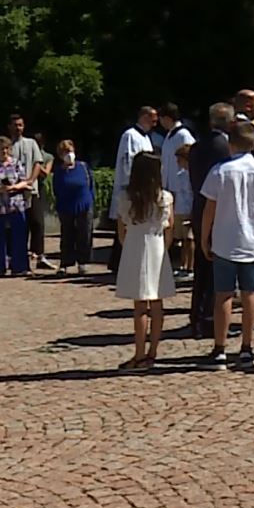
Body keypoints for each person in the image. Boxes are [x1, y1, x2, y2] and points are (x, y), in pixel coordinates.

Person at [200, 121, 254, 370]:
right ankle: (247, 347)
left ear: (230, 143)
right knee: (251, 294)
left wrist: (205, 237)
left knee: (223, 294)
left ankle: (220, 348)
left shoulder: (219, 171)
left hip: (225, 239)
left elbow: (209, 210)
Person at [114, 153, 175, 370]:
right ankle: (152, 352)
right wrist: (163, 249)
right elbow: (170, 228)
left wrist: (128, 245)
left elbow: (121, 229)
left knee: (140, 305)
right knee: (157, 303)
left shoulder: (126, 197)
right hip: (157, 246)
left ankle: (139, 354)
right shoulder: (165, 198)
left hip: (135, 246)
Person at [187, 103, 235, 338]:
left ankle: (198, 316)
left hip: (199, 207)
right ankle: (208, 320)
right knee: (216, 268)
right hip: (217, 210)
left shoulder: (198, 146)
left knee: (202, 267)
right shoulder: (224, 147)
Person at [108, 107, 159, 271]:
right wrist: (134, 183)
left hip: (144, 186)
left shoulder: (146, 137)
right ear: (144, 117)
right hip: (133, 186)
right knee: (126, 223)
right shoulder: (130, 135)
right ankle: (118, 263)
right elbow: (128, 161)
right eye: (152, 119)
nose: (155, 123)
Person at [0, 136, 32, 277]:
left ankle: (20, 267)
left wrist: (15, 187)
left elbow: (25, 182)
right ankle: (0, 268)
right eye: (0, 149)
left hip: (15, 205)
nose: (4, 151)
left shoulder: (16, 163)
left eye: (6, 148)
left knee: (19, 237)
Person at [5, 115, 50, 272]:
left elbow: (38, 163)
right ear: (9, 126)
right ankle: (15, 257)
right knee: (16, 226)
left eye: (21, 125)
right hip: (14, 191)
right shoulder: (7, 145)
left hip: (31, 189)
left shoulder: (31, 143)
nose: (18, 128)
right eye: (15, 125)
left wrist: (31, 180)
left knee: (37, 223)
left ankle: (39, 255)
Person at [159, 104, 196, 271]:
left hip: (182, 189)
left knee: (186, 233)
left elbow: (188, 158)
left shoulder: (183, 135)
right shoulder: (168, 136)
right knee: (177, 231)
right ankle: (181, 263)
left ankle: (188, 265)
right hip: (170, 187)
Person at [51, 139, 95, 275]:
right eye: (65, 152)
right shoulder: (59, 171)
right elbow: (56, 189)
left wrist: (91, 201)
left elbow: (91, 185)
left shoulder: (83, 167)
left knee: (85, 234)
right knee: (67, 236)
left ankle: (83, 262)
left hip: (84, 205)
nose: (68, 154)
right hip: (66, 206)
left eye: (70, 151)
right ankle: (66, 263)